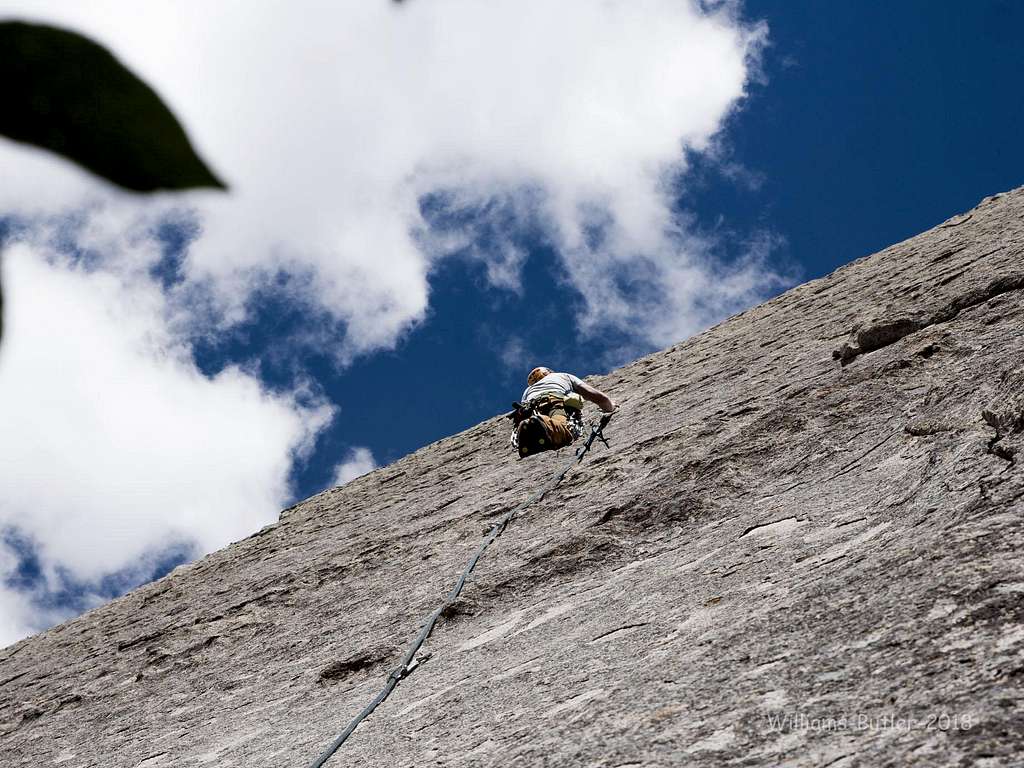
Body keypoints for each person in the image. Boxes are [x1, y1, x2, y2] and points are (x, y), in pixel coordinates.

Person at [509, 366, 617, 457]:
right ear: (547, 372)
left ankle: (530, 431)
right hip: (554, 402)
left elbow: (523, 406)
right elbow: (590, 393)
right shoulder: (562, 376)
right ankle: (546, 426)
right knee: (560, 425)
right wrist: (609, 406)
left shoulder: (528, 390)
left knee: (531, 421)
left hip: (529, 411)